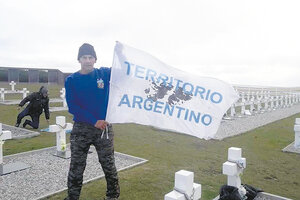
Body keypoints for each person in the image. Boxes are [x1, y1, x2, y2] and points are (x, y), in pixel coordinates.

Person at [64, 43, 120, 200]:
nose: (88, 61)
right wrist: (93, 120)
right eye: (84, 57)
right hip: (82, 128)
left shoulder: (104, 74)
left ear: (95, 59)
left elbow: (123, 71)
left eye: (91, 57)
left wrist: (121, 53)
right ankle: (72, 197)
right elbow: (73, 107)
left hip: (104, 129)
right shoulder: (72, 80)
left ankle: (113, 196)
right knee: (76, 166)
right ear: (79, 59)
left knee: (108, 165)